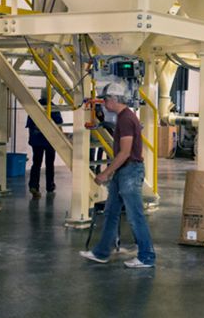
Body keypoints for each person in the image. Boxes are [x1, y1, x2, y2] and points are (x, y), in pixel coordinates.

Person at [80, 82, 156, 269]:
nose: (104, 103)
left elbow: (125, 152)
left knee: (134, 215)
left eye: (105, 100)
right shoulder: (124, 118)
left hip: (129, 171)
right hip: (124, 171)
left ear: (114, 99)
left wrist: (105, 173)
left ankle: (147, 256)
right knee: (111, 212)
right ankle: (101, 252)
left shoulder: (126, 119)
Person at [26, 93, 63, 199]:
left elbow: (29, 125)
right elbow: (59, 124)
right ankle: (50, 185)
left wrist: (33, 137)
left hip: (36, 140)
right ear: (51, 96)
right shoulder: (53, 107)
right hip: (50, 140)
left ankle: (34, 185)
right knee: (49, 163)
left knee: (36, 163)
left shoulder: (34, 107)